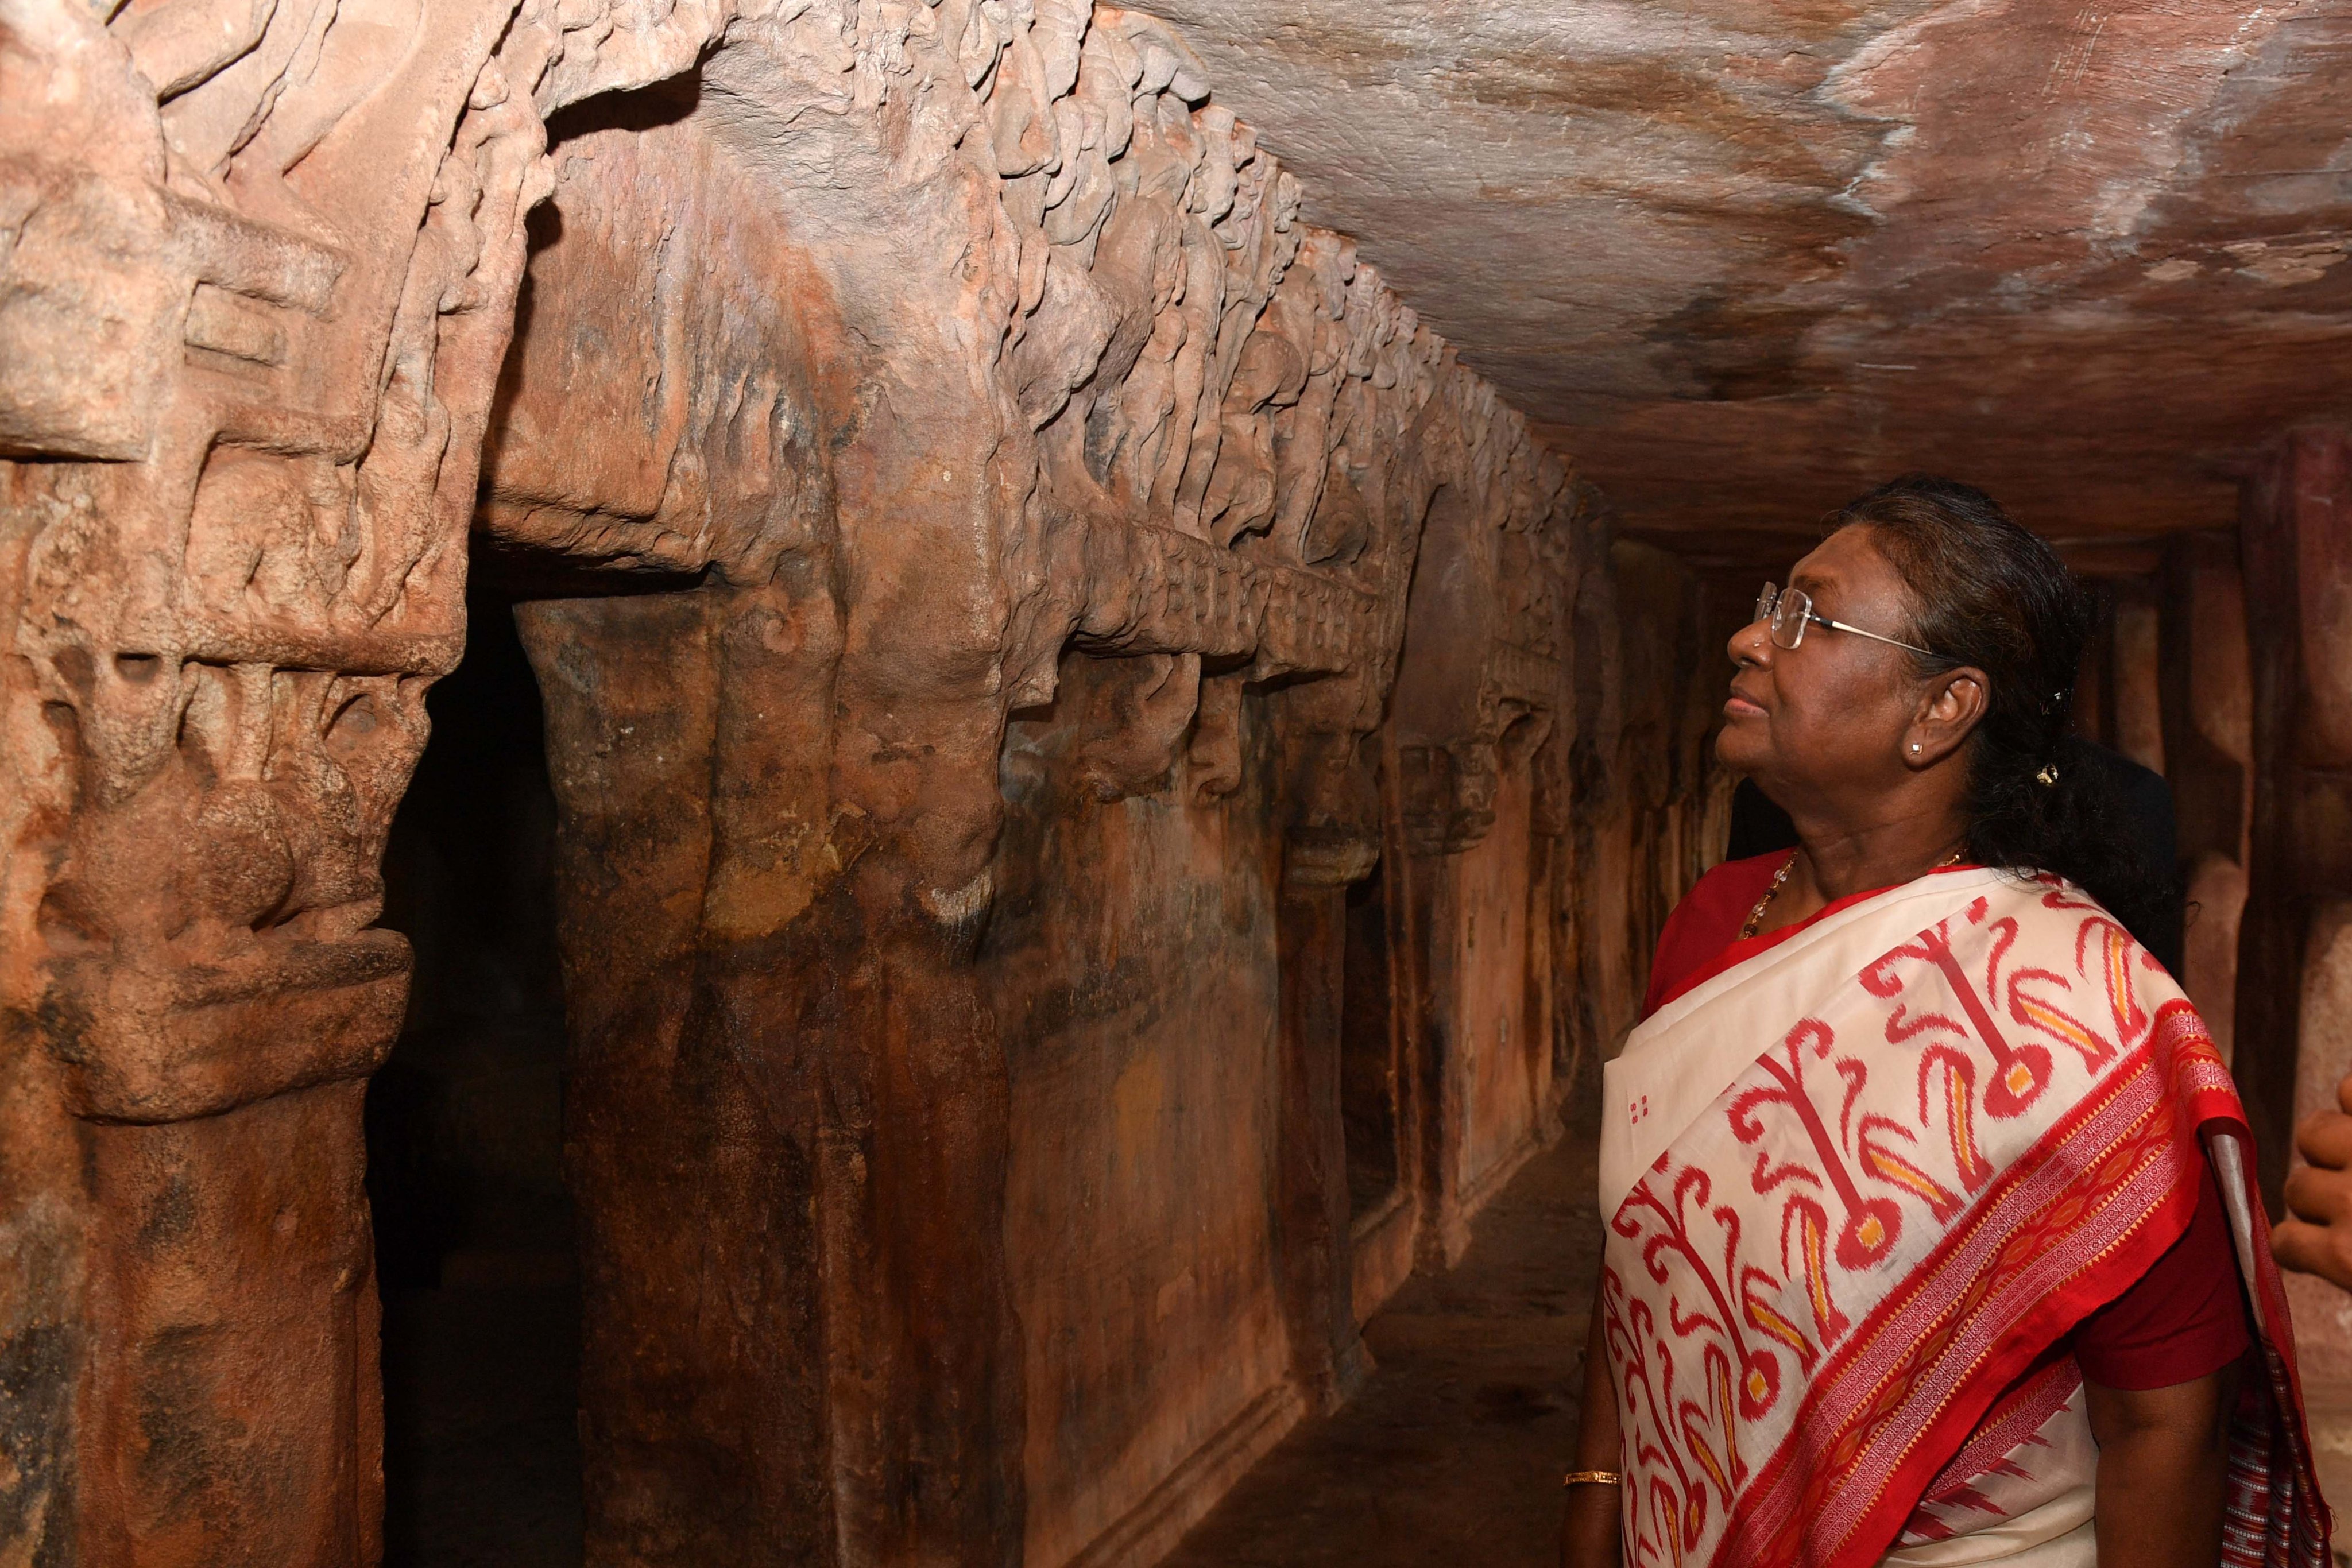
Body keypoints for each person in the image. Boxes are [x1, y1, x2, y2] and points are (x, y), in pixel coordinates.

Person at [1560, 478, 2325, 1568]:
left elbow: (2166, 1424)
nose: (1748, 637)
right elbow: (1645, 1252)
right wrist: (1596, 1500)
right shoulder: (1713, 921)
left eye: (1807, 619)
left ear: (1941, 709)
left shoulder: (2080, 1012)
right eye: (1772, 602)